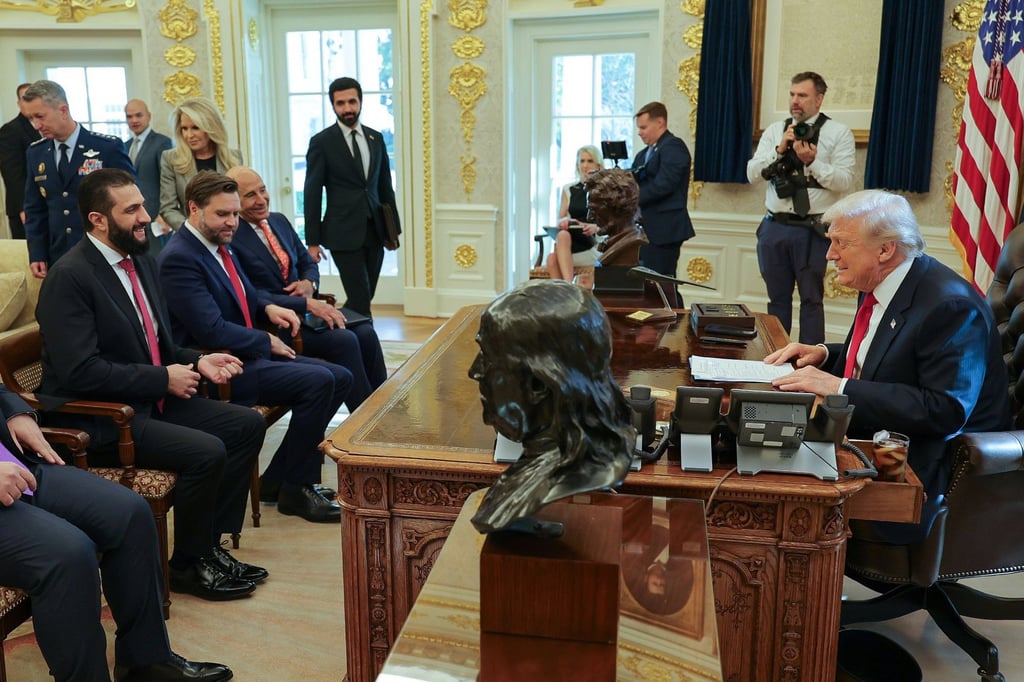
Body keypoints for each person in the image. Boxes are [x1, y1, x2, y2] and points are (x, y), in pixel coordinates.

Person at [36, 168, 268, 602]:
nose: (146, 216)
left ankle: (206, 549)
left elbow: (157, 344)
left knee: (245, 426)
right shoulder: (70, 278)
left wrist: (197, 359)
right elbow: (79, 372)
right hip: (103, 418)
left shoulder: (140, 258)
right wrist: (163, 378)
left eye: (142, 205)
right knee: (206, 451)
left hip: (146, 398)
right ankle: (186, 566)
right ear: (98, 220)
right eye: (132, 210)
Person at [765, 189, 1011, 543]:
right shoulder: (884, 281)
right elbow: (887, 359)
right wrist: (825, 354)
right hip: (876, 438)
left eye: (840, 243)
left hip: (923, 470)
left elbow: (945, 410)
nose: (830, 254)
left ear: (884, 249)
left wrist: (837, 386)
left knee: (777, 494)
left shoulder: (950, 306)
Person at [0, 384, 234, 682]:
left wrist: (16, 412)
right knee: (67, 554)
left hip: (18, 467)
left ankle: (145, 659)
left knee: (130, 512)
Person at [158, 172, 351, 523]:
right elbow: (212, 331)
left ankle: (280, 480)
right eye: (223, 214)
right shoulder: (180, 257)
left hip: (246, 353)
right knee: (322, 380)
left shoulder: (218, 243)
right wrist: (265, 339)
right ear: (194, 209)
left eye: (234, 213)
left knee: (340, 375)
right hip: (220, 367)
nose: (232, 221)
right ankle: (297, 486)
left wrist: (267, 308)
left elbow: (246, 295)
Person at [468, 279, 635, 533]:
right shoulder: (542, 464)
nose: (475, 372)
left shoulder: (565, 472)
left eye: (487, 358)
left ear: (538, 384)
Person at [226, 165, 386, 415]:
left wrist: (308, 284)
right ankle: (365, 420)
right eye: (250, 195)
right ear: (235, 201)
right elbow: (250, 294)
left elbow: (307, 262)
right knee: (345, 339)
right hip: (278, 325)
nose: (261, 200)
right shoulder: (232, 235)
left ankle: (385, 409)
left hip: (308, 316)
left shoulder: (277, 220)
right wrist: (304, 304)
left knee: (365, 332)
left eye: (263, 190)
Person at [747, 71, 855, 344]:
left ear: (819, 100)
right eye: (792, 94)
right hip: (775, 227)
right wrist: (780, 149)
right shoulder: (775, 130)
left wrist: (813, 162)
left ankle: (810, 365)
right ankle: (776, 354)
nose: (795, 101)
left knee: (811, 299)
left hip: (812, 229)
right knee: (777, 299)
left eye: (803, 95)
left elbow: (844, 180)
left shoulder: (838, 132)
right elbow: (752, 173)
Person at [303, 76, 401, 317]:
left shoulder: (375, 138)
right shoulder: (322, 142)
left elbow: (385, 187)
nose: (347, 108)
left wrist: (393, 232)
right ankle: (364, 347)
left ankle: (347, 332)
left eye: (352, 102)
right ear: (333, 105)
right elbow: (312, 192)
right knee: (359, 296)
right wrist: (312, 241)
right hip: (342, 232)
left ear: (360, 102)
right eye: (340, 103)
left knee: (367, 295)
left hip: (376, 230)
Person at [21, 79, 135, 277]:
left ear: (63, 110)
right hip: (59, 255)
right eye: (31, 118)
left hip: (105, 253)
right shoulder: (36, 153)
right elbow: (35, 208)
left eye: (40, 116)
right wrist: (37, 252)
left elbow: (131, 201)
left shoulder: (106, 148)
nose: (36, 125)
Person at [629, 101, 694, 302]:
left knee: (663, 286)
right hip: (646, 230)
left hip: (664, 230)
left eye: (643, 127)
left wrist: (632, 198)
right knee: (648, 287)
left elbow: (664, 185)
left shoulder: (674, 147)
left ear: (660, 122)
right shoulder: (642, 155)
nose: (639, 133)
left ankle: (675, 325)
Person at [159, 97, 242, 231]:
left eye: (195, 128)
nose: (189, 135)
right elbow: (168, 209)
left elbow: (241, 202)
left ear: (211, 127)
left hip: (230, 233)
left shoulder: (234, 158)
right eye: (184, 129)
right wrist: (194, 230)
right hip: (190, 237)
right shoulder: (170, 159)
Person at [546, 145, 602, 281]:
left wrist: (595, 227)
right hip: (572, 239)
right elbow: (561, 219)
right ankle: (565, 295)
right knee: (552, 257)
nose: (585, 165)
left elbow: (611, 222)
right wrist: (565, 222)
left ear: (598, 165)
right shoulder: (569, 189)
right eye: (582, 161)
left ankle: (568, 288)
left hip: (592, 242)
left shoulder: (603, 189)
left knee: (556, 253)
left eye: (590, 161)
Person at [124, 98, 173, 254]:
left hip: (156, 219)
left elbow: (167, 181)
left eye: (139, 115)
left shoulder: (162, 143)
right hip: (132, 218)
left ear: (149, 116)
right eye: (129, 117)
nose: (134, 120)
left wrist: (164, 214)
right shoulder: (125, 146)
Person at [0, 82, 41, 239]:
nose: (30, 101)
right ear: (19, 103)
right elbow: (12, 175)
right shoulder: (10, 131)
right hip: (24, 209)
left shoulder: (46, 126)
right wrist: (24, 208)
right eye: (26, 98)